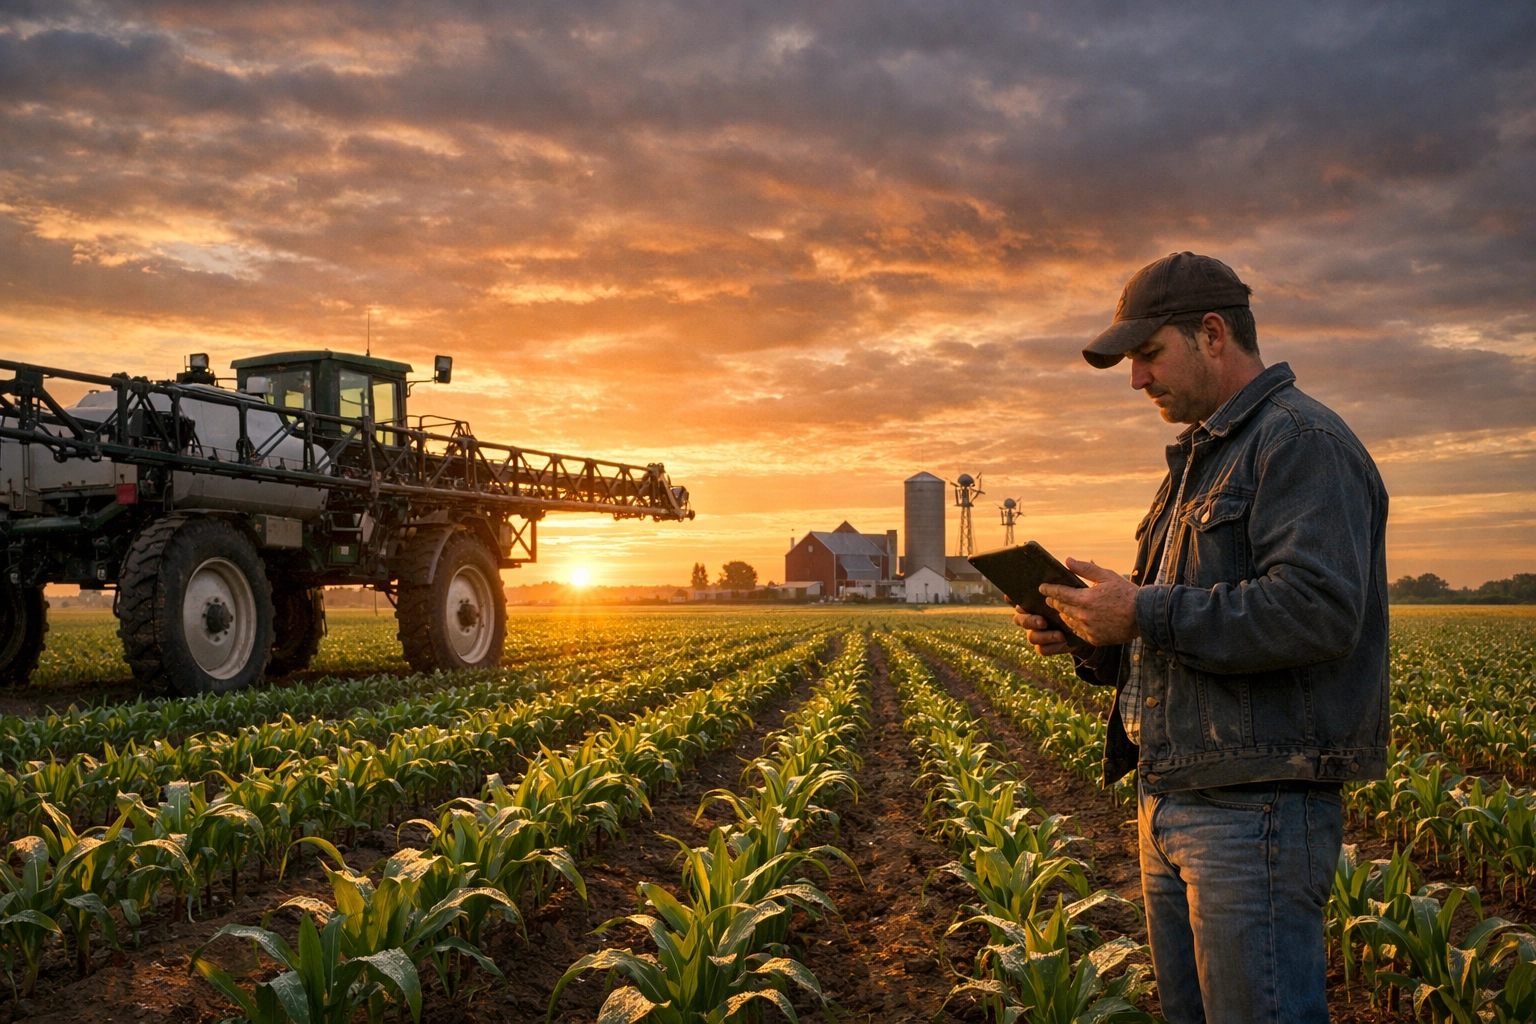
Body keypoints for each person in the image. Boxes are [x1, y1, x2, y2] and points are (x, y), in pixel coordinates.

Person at [1014, 252, 1390, 1024]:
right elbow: (1180, 625)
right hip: (1172, 795)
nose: (1136, 380)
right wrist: (1092, 634)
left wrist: (1142, 612)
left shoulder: (1300, 441)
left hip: (1254, 814)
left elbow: (1318, 611)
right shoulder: (1198, 462)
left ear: (1212, 334)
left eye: (1148, 354)